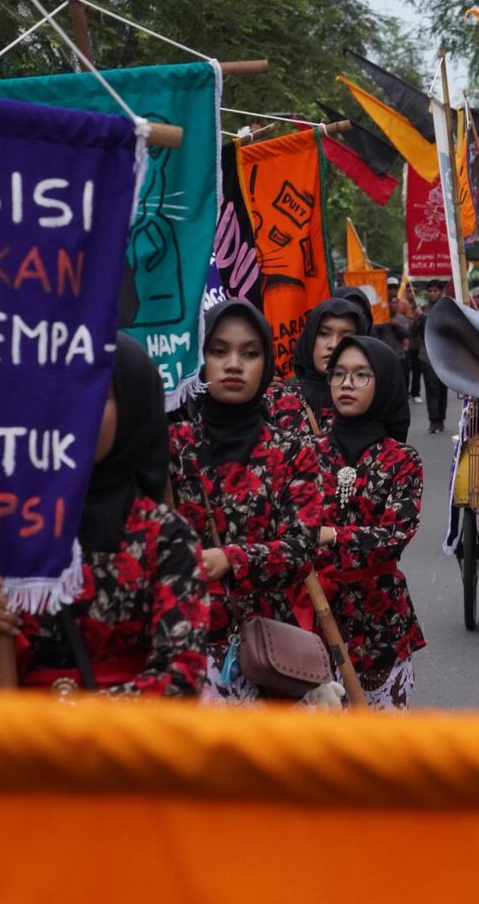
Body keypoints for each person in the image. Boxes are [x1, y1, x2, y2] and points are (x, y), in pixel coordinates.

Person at [0, 336, 210, 695]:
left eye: (98, 393)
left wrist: (68, 716)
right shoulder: (4, 529)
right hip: (19, 732)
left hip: (122, 732)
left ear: (133, 407)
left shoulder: (165, 536)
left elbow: (181, 677)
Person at [169, 300, 324, 702]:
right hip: (180, 652)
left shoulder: (292, 450)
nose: (234, 365)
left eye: (250, 353)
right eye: (218, 351)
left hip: (267, 657)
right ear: (199, 359)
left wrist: (230, 559)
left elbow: (301, 549)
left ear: (267, 362)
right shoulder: (172, 445)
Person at [307, 336, 425, 708]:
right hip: (311, 614)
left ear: (384, 381)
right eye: (339, 374)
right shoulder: (305, 452)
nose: (346, 383)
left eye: (361, 375)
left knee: (379, 737)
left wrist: (332, 535)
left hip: (380, 621)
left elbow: (395, 534)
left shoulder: (402, 459)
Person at [270, 297, 365, 434]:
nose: (333, 344)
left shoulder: (371, 403)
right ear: (310, 337)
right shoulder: (276, 401)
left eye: (345, 337)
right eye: (324, 334)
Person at [411, 281, 451, 434]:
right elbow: (412, 333)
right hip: (427, 354)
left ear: (441, 292)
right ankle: (433, 420)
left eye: (435, 290)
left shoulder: (446, 309)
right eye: (430, 291)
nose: (432, 293)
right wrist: (417, 319)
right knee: (431, 387)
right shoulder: (421, 310)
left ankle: (441, 418)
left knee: (442, 388)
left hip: (444, 355)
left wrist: (426, 317)